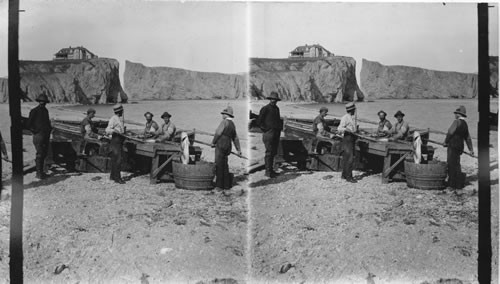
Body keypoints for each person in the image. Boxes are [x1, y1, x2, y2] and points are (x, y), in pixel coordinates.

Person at [444, 106, 474, 190]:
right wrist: (471, 149)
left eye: (456, 113)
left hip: (453, 145)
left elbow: (450, 132)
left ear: (459, 114)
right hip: (460, 146)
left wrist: (445, 142)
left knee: (451, 164)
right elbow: (467, 138)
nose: (455, 115)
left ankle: (451, 185)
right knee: (457, 164)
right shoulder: (465, 124)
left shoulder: (456, 122)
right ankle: (458, 184)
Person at [212, 106, 241, 190]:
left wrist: (213, 142)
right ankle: (226, 185)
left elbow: (218, 133)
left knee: (219, 164)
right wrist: (238, 149)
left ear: (226, 115)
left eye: (223, 114)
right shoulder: (232, 124)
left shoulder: (224, 122)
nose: (222, 115)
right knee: (225, 165)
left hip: (221, 143)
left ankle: (219, 185)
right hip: (228, 145)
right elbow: (235, 138)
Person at [27, 93, 52, 179]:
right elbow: (29, 124)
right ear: (39, 102)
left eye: (44, 101)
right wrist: (36, 131)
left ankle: (41, 172)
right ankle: (39, 174)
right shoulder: (34, 111)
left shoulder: (45, 111)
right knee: (40, 154)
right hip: (39, 135)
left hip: (45, 135)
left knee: (44, 153)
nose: (43, 103)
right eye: (41, 101)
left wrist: (49, 129)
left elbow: (47, 123)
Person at [257, 91, 282, 178]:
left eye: (275, 99)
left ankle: (271, 170)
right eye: (272, 99)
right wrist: (266, 130)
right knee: (269, 152)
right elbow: (259, 121)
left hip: (276, 133)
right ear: (270, 99)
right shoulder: (265, 108)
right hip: (269, 134)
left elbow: (278, 120)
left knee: (274, 152)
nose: (273, 101)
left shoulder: (277, 109)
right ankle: (268, 172)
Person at [337, 102, 358, 183]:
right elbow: (340, 128)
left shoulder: (352, 118)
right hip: (347, 138)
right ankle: (349, 177)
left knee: (347, 157)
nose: (354, 111)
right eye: (353, 110)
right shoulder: (345, 117)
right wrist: (347, 130)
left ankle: (344, 175)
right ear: (351, 110)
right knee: (350, 158)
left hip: (352, 138)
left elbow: (353, 128)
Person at [105, 104, 126, 184]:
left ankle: (113, 176)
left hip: (119, 140)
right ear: (119, 111)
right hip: (115, 140)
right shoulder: (113, 119)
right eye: (121, 111)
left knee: (115, 158)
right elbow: (107, 130)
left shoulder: (118, 119)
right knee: (118, 159)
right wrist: (115, 131)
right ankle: (118, 178)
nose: (122, 112)